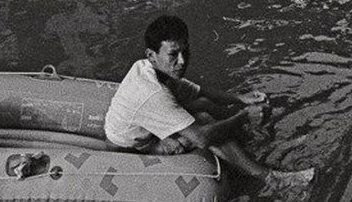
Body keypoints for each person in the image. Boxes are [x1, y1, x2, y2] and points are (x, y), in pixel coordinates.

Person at [104, 14, 315, 187]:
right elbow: (201, 139)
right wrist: (243, 116)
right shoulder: (152, 92)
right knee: (205, 121)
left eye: (185, 51)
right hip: (135, 148)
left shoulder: (150, 67)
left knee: (204, 104)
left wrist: (240, 98)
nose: (183, 61)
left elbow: (197, 90)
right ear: (151, 55)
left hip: (146, 128)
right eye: (174, 54)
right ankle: (272, 179)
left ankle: (251, 142)